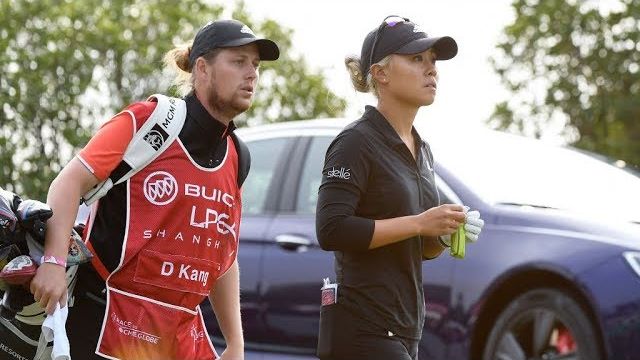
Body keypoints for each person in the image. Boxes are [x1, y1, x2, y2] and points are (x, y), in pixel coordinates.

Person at [29, 19, 279, 360]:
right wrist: (54, 262)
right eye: (238, 61)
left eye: (255, 65)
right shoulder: (149, 120)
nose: (251, 74)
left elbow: (223, 253)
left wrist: (235, 342)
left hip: (180, 337)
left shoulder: (238, 156)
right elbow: (69, 183)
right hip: (109, 322)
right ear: (202, 69)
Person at [315, 15, 485, 360]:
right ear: (381, 73)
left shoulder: (422, 149)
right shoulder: (356, 142)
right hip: (362, 326)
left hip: (406, 328)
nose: (431, 70)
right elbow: (331, 230)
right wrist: (421, 222)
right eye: (417, 59)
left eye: (433, 61)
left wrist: (443, 234)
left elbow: (420, 248)